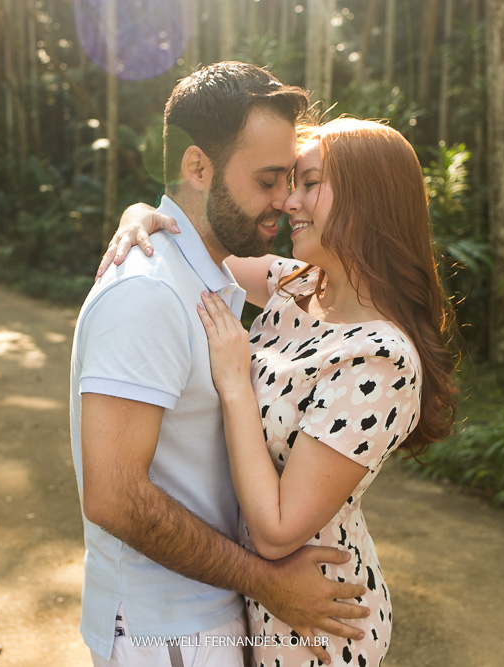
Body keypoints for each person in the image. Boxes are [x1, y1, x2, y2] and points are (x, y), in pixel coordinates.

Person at [104, 117, 458, 666]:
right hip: (254, 605)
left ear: (371, 199)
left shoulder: (380, 359)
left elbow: (275, 532)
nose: (290, 201)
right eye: (292, 182)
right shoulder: (297, 284)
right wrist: (140, 214)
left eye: (309, 183)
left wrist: (234, 383)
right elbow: (193, 242)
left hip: (316, 619)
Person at [70, 62, 370, 667]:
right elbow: (113, 498)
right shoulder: (150, 294)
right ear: (197, 167)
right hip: (167, 632)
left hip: (202, 616)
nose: (285, 200)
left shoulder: (212, 276)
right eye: (268, 180)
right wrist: (268, 581)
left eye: (290, 178)